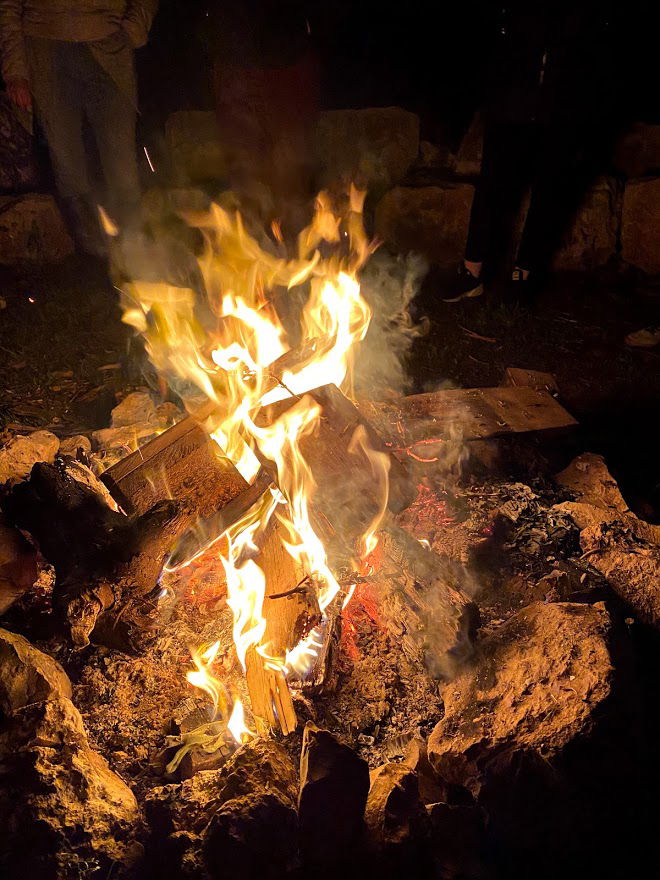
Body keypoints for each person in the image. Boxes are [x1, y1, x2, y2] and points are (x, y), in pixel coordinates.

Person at [444, 0, 622, 303]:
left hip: (562, 104)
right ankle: (472, 270)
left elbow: (590, 40)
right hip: (512, 99)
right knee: (492, 186)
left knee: (549, 190)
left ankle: (524, 272)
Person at [0, 0, 158, 255]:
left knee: (122, 161)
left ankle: (135, 249)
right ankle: (91, 254)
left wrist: (135, 26)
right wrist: (15, 70)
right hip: (45, 46)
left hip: (108, 43)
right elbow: (8, 6)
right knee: (67, 162)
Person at [203, 0, 319, 238]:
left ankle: (295, 258)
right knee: (244, 179)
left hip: (288, 58)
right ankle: (252, 261)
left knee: (291, 177)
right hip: (234, 60)